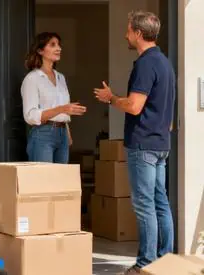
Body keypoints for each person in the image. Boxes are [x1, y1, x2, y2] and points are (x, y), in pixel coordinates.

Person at [92, 11, 174, 274]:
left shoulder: (145, 64)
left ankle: (145, 265)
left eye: (128, 30)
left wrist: (111, 98)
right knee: (161, 202)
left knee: (144, 205)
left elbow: (135, 106)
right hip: (161, 144)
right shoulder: (164, 62)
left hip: (143, 145)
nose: (125, 34)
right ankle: (164, 260)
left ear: (138, 33)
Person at [20, 32, 86, 163]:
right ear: (40, 50)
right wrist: (61, 109)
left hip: (62, 135)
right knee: (43, 180)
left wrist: (67, 134)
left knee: (60, 181)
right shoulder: (32, 79)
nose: (59, 48)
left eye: (59, 45)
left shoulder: (61, 77)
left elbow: (64, 109)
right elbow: (30, 115)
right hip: (43, 134)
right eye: (53, 45)